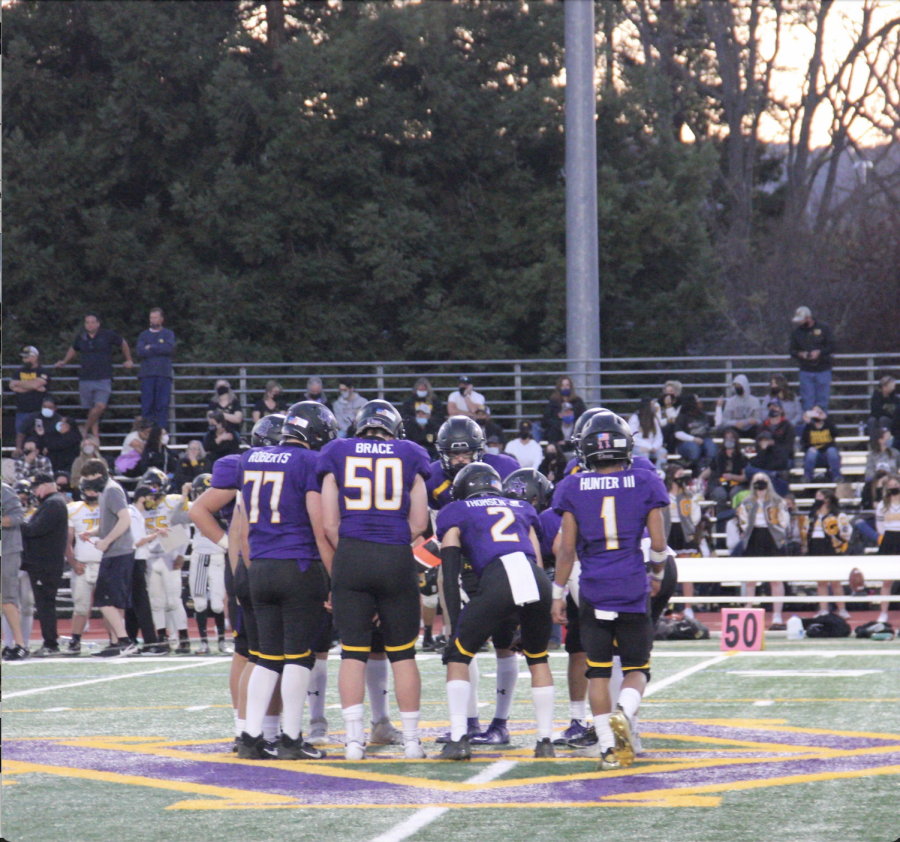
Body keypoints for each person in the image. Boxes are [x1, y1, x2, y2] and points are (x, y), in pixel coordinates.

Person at [551, 410, 670, 770]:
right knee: (637, 668)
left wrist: (557, 593)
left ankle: (607, 747)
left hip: (594, 588)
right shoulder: (646, 480)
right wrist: (658, 575)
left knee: (598, 671)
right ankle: (625, 710)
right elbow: (659, 542)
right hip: (631, 584)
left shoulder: (571, 486)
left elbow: (567, 550)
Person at [318, 400, 431, 761]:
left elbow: (329, 523)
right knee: (402, 654)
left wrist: (354, 551)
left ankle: (353, 743)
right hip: (395, 556)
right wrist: (391, 545)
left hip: (351, 554)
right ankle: (412, 742)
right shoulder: (411, 452)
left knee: (353, 652)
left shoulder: (336, 451)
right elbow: (418, 523)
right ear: (394, 429)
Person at [234, 404, 337, 760]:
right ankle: (292, 740)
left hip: (259, 566)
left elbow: (245, 527)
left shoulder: (251, 458)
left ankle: (250, 736)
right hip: (297, 565)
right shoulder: (309, 462)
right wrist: (334, 579)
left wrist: (255, 566)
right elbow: (320, 526)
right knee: (298, 656)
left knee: (266, 656)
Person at [435, 463, 555, 760]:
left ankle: (459, 738)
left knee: (458, 655)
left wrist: (453, 628)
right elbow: (537, 560)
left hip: (498, 576)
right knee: (537, 657)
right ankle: (545, 742)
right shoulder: (521, 507)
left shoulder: (457, 510)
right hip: (535, 580)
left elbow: (449, 576)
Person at [77, 459, 140, 656]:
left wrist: (106, 541)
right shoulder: (107, 490)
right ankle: (115, 641)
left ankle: (124, 640)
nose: (88, 485)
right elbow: (110, 522)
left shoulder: (111, 490)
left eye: (90, 479)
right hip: (116, 551)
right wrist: (94, 532)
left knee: (104, 601)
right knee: (113, 601)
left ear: (99, 475)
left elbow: (125, 519)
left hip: (118, 552)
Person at [170, 474, 230, 656]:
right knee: (200, 602)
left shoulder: (225, 510)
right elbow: (176, 519)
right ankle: (204, 642)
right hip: (201, 557)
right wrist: (183, 496)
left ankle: (221, 641)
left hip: (219, 557)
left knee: (218, 604)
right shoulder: (196, 509)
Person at [56, 313, 135, 439]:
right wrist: (64, 361)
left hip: (103, 377)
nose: (90, 324)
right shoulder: (81, 337)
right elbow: (74, 348)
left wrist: (129, 359)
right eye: (87, 322)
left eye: (93, 322)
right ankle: (95, 436)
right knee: (91, 409)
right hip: (85, 378)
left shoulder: (108, 334)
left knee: (100, 406)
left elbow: (123, 343)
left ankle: (85, 429)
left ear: (98, 324)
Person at [20, 472, 69, 656]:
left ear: (45, 485)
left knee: (45, 604)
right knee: (44, 604)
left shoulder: (53, 504)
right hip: (44, 563)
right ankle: (49, 642)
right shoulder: (53, 503)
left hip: (45, 564)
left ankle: (50, 643)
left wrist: (17, 522)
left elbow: (35, 529)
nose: (34, 492)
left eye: (36, 487)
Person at [735, 473, 789, 630]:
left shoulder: (777, 501)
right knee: (751, 579)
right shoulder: (747, 502)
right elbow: (743, 522)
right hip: (754, 539)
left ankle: (777, 614)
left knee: (775, 579)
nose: (760, 483)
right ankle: (748, 610)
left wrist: (778, 532)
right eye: (757, 480)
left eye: (763, 480)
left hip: (772, 539)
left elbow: (784, 521)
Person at [64, 478, 104, 656]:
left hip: (105, 563)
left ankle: (116, 640)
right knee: (80, 606)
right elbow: (67, 540)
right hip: (84, 564)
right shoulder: (74, 509)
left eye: (95, 490)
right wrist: (72, 562)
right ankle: (75, 641)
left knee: (109, 607)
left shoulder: (108, 506)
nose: (92, 493)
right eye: (89, 490)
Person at [125, 485, 168, 654]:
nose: (153, 502)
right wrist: (155, 535)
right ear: (142, 497)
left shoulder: (136, 514)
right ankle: (150, 641)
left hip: (136, 560)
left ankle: (131, 639)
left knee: (134, 603)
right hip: (135, 560)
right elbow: (137, 541)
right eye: (150, 498)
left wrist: (152, 533)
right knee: (142, 603)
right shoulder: (133, 513)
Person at [804, 489, 852, 619]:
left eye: (820, 496)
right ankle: (823, 609)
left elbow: (846, 531)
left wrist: (839, 541)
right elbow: (806, 530)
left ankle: (842, 609)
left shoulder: (837, 514)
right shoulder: (813, 514)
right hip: (815, 546)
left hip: (830, 547)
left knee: (835, 581)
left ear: (827, 499)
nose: (817, 499)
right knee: (821, 581)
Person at [1, 481, 30, 661]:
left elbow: (18, 516)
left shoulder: (4, 490)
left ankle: (21, 644)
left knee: (7, 599)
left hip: (6, 551)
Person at [136, 307, 176, 428]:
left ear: (162, 319)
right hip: (147, 375)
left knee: (162, 406)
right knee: (147, 406)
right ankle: (146, 433)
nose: (153, 320)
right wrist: (159, 348)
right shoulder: (143, 335)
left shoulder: (168, 333)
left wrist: (151, 347)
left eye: (156, 317)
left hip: (163, 374)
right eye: (151, 317)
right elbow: (140, 352)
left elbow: (169, 348)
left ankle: (160, 435)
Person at [789, 306, 835, 412]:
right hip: (806, 371)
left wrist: (820, 352)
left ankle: (822, 427)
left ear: (808, 318)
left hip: (823, 369)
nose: (799, 323)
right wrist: (800, 354)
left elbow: (832, 346)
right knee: (807, 403)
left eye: (801, 320)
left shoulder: (824, 328)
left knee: (822, 403)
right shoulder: (796, 333)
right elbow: (792, 350)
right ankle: (809, 427)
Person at [9, 346, 52, 456]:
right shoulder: (18, 372)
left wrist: (20, 384)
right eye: (23, 358)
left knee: (40, 437)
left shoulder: (43, 371)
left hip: (38, 410)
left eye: (27, 357)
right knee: (20, 435)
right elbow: (12, 386)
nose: (25, 360)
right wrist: (33, 386)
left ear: (35, 357)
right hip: (22, 410)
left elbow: (37, 384)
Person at [703, 427, 748, 515]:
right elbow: (709, 470)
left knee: (735, 493)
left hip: (737, 484)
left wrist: (732, 477)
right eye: (726, 438)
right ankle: (721, 519)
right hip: (719, 483)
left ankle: (737, 518)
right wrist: (699, 478)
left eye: (731, 438)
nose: (729, 440)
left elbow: (745, 476)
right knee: (720, 494)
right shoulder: (718, 456)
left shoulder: (742, 458)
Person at [875, 475, 899, 623]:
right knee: (887, 580)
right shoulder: (883, 505)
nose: (893, 487)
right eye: (890, 485)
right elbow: (880, 526)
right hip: (889, 540)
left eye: (895, 484)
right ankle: (883, 612)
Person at [674, 393, 717, 473]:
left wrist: (718, 407)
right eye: (697, 401)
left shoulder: (703, 415)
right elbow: (678, 433)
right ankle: (696, 471)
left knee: (711, 447)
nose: (700, 402)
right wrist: (693, 439)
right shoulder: (682, 417)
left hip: (704, 440)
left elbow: (717, 423)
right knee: (694, 449)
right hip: (686, 443)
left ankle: (709, 472)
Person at [801, 406, 842, 482]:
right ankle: (807, 477)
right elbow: (804, 442)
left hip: (827, 456)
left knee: (832, 450)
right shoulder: (809, 427)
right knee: (811, 451)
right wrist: (808, 424)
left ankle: (837, 477)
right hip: (815, 457)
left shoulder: (828, 425)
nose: (817, 414)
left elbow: (836, 433)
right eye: (814, 412)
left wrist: (826, 419)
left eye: (818, 412)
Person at [627, 398, 667, 468]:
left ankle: (659, 474)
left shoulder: (654, 419)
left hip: (652, 447)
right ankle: (646, 475)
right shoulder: (635, 418)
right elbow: (632, 436)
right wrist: (648, 446)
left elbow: (659, 437)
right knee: (644, 454)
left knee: (663, 453)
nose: (654, 407)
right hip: (638, 446)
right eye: (652, 405)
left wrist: (654, 447)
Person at [759, 398, 796, 465]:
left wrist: (773, 444)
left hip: (784, 458)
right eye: (771, 407)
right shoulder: (763, 426)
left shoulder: (788, 426)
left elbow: (788, 448)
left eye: (775, 406)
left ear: (781, 410)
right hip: (767, 457)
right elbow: (758, 445)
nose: (772, 409)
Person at [867, 375, 900, 442]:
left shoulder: (896, 399)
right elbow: (875, 411)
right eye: (892, 385)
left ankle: (885, 443)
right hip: (878, 419)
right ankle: (874, 445)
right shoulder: (876, 399)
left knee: (883, 419)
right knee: (872, 420)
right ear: (885, 387)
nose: (894, 387)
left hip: (891, 422)